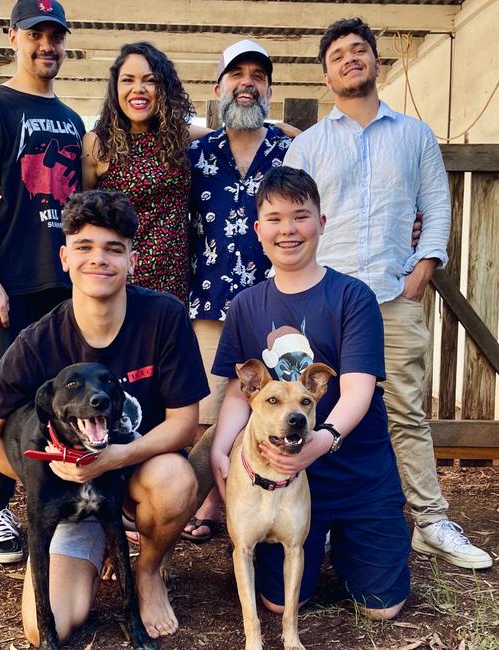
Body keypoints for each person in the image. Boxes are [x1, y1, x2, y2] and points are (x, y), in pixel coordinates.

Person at [283, 17, 491, 569]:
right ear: (326, 76)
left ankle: (430, 519)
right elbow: (288, 219)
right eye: (338, 56)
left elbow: (438, 207)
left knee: (405, 409)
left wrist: (423, 271)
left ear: (376, 62)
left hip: (391, 297)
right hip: (325, 300)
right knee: (317, 407)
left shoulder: (415, 135)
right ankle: (318, 517)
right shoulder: (308, 146)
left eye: (359, 51)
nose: (350, 59)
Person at [0, 190, 209, 644]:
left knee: (176, 481)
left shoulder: (164, 317)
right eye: (84, 247)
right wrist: (50, 481)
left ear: (132, 260)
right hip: (69, 489)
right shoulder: (38, 341)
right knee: (45, 630)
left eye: (113, 249)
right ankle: (93, 553)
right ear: (64, 257)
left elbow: (184, 426)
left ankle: (148, 572)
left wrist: (113, 460)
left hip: (136, 478)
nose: (99, 259)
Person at [211, 165, 410, 618]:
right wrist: (221, 451)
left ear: (320, 223)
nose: (288, 229)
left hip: (356, 473)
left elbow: (357, 389)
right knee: (279, 606)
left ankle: (350, 538)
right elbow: (240, 393)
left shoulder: (352, 297)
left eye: (300, 216)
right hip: (280, 482)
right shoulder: (245, 305)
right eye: (276, 218)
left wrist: (323, 441)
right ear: (258, 229)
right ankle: (292, 543)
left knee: (382, 608)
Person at [0, 0, 84, 563]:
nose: (46, 46)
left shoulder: (73, 120)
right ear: (12, 37)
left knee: (65, 402)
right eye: (35, 35)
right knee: (11, 405)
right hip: (14, 287)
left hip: (66, 288)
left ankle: (59, 500)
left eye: (55, 36)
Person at [184, 40, 294, 541]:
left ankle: (271, 506)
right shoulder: (196, 154)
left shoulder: (291, 150)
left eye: (257, 75)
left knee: (275, 404)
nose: (246, 82)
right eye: (236, 75)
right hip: (208, 302)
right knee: (210, 413)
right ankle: (210, 501)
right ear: (218, 88)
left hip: (276, 304)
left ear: (268, 88)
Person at [82, 42, 209, 304]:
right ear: (116, 87)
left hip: (174, 287)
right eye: (128, 80)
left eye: (149, 81)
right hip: (120, 284)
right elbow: (82, 220)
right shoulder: (97, 144)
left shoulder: (179, 136)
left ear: (163, 89)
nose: (138, 89)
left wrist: (277, 130)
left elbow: (230, 137)